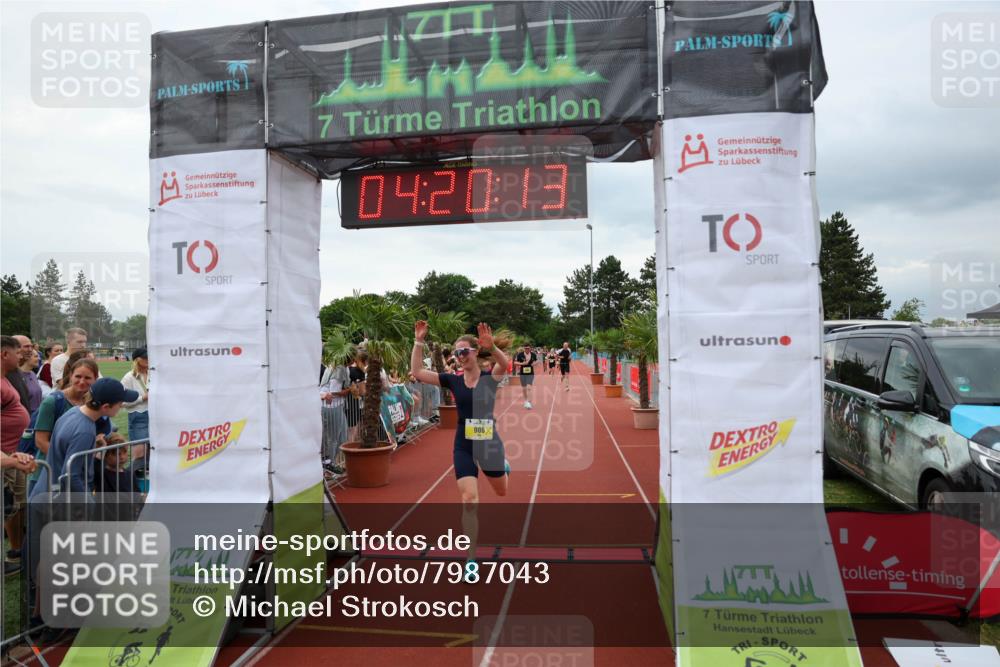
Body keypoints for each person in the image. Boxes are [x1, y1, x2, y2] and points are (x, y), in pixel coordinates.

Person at [410, 321, 510, 577]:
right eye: (456, 353)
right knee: (468, 500)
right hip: (463, 444)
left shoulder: (489, 379)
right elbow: (418, 372)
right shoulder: (453, 381)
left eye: (464, 351)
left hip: (489, 444)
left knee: (501, 492)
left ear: (476, 352)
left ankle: (504, 467)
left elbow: (505, 365)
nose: (460, 357)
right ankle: (471, 559)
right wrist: (418, 341)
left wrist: (494, 347)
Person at [30, 377, 137, 498]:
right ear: (106, 407)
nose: (121, 405)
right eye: (120, 403)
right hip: (58, 502)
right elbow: (71, 475)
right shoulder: (85, 431)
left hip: (46, 491)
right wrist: (88, 502)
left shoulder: (74, 411)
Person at [1, 336, 31, 575]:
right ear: (4, 354)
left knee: (14, 505)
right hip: (5, 455)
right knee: (7, 505)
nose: (19, 355)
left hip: (13, 452)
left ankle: (16, 550)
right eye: (16, 351)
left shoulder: (6, 379)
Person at [320, 360, 351, 473]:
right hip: (331, 406)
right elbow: (334, 391)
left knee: (343, 437)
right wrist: (349, 390)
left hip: (337, 405)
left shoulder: (341, 368)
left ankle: (331, 463)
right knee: (332, 438)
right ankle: (329, 465)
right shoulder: (338, 368)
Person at [120, 349, 149, 441]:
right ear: (136, 359)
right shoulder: (129, 377)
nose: (148, 359)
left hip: (154, 415)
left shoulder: (153, 374)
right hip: (138, 416)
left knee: (151, 449)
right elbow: (122, 402)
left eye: (149, 356)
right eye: (144, 357)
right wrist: (142, 399)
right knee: (140, 449)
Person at [344, 349, 368, 443]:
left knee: (350, 430)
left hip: (346, 402)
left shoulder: (348, 368)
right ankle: (351, 451)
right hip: (353, 404)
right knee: (353, 430)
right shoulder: (359, 371)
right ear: (364, 361)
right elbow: (362, 391)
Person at [18, 342, 43, 414]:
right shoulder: (17, 376)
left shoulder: (32, 374)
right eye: (35, 356)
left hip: (36, 416)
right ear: (27, 357)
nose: (39, 358)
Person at [513, 344, 538, 409]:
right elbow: (515, 362)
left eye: (528, 348)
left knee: (529, 387)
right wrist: (522, 364)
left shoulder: (533, 354)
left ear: (530, 348)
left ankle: (529, 402)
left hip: (530, 373)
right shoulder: (520, 355)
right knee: (524, 388)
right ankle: (526, 400)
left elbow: (537, 361)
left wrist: (534, 364)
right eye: (526, 348)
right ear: (524, 348)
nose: (527, 349)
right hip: (522, 373)